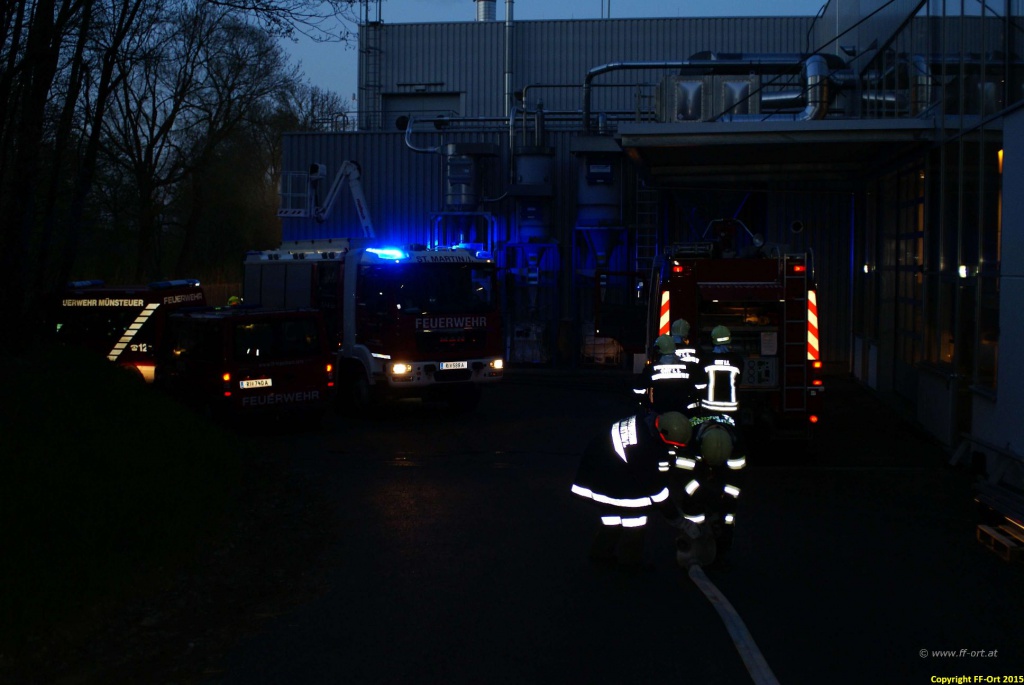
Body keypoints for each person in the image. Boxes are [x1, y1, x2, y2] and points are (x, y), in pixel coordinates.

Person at [571, 410, 692, 569]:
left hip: (597, 467)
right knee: (635, 520)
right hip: (610, 478)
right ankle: (630, 563)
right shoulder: (648, 450)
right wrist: (678, 520)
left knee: (612, 518)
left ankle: (600, 554)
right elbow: (657, 492)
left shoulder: (646, 420)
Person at [668, 414, 747, 567]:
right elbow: (683, 476)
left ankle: (722, 548)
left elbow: (736, 479)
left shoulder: (737, 443)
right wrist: (700, 494)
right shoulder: (690, 439)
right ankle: (691, 539)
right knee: (692, 503)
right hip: (698, 463)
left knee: (728, 512)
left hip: (723, 463)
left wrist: (726, 503)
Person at [633, 333, 703, 414]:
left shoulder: (651, 369)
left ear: (658, 351)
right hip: (683, 411)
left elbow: (638, 390)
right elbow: (699, 386)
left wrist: (648, 405)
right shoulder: (687, 367)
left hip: (660, 411)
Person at [700, 324, 742, 415]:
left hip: (709, 407)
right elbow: (739, 381)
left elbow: (701, 382)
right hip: (732, 408)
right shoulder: (737, 359)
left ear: (713, 341)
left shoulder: (706, 359)